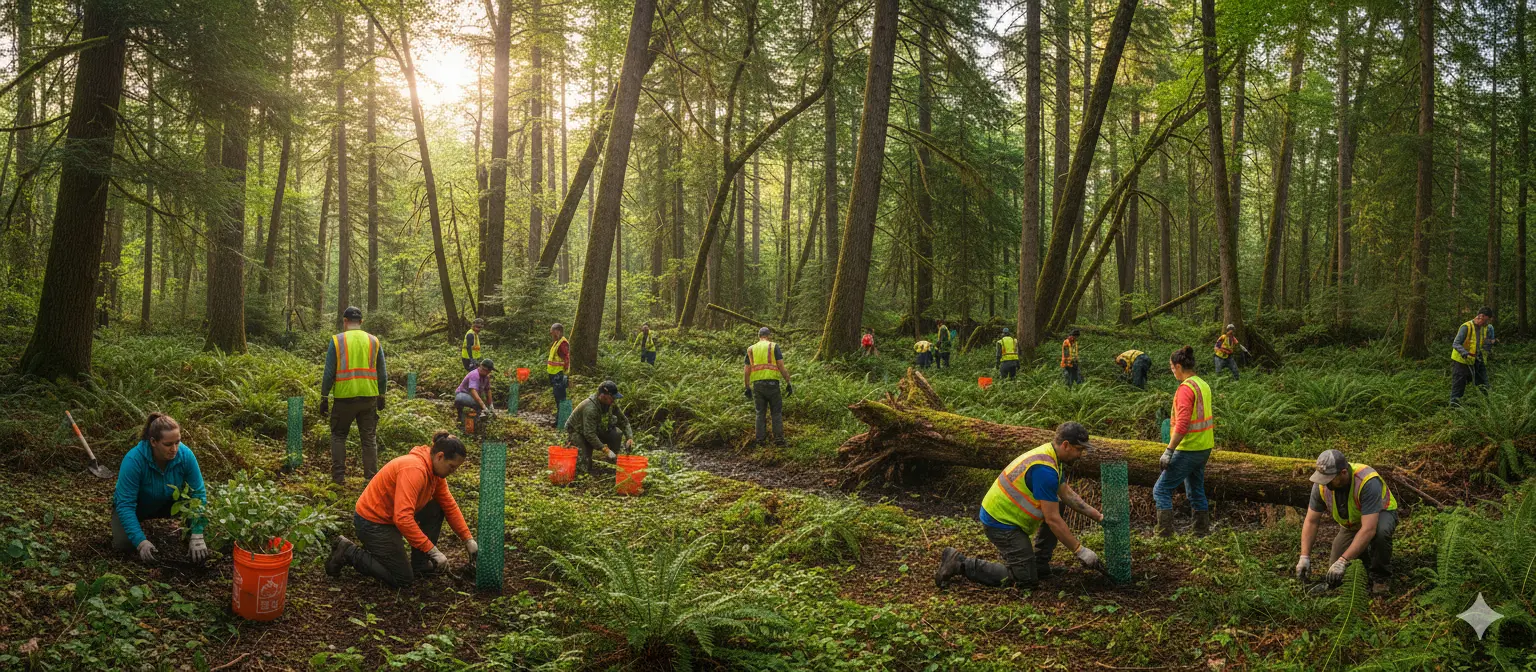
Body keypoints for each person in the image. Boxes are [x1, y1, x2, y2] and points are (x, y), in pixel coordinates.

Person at [935, 421, 1108, 590]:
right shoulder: (1044, 470)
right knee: (1025, 580)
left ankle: (1039, 565)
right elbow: (1053, 520)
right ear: (1065, 445)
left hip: (1007, 516)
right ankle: (960, 563)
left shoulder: (1053, 458)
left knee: (1059, 503)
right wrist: (1080, 551)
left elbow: (1067, 494)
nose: (1080, 455)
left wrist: (1098, 517)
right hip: (1000, 522)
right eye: (1079, 450)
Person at [326, 432, 477, 588]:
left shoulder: (435, 473)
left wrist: (467, 539)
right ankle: (349, 552)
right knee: (402, 579)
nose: (452, 472)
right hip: (372, 523)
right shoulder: (414, 469)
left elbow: (449, 505)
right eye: (451, 466)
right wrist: (432, 550)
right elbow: (403, 518)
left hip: (391, 518)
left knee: (436, 507)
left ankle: (421, 564)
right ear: (439, 456)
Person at [1295, 449, 1398, 595]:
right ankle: (1364, 558)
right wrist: (1304, 557)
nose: (1325, 483)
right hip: (1353, 523)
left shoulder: (1367, 481)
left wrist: (1344, 560)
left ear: (1343, 472)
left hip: (1380, 514)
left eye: (1330, 479)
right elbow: (1311, 521)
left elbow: (1369, 528)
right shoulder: (1321, 484)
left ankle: (1380, 578)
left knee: (1380, 533)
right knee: (1335, 575)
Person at [112, 413, 209, 564]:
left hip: (170, 503)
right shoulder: (133, 461)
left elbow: (198, 494)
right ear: (153, 442)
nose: (174, 449)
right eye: (168, 444)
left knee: (204, 531)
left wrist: (197, 533)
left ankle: (192, 536)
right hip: (140, 506)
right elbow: (125, 505)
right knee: (123, 544)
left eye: (177, 442)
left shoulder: (186, 455)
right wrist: (140, 541)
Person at [321, 306, 387, 485]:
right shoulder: (374, 341)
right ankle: (371, 479)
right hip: (369, 397)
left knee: (338, 436)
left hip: (344, 398)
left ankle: (338, 478)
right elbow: (382, 373)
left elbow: (328, 373)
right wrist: (382, 395)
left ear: (344, 321)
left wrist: (324, 397)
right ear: (361, 322)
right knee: (368, 439)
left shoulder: (337, 341)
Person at [1153, 346, 1215, 537]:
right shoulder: (1202, 384)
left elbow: (1182, 424)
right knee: (1195, 490)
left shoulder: (1185, 389)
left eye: (1172, 368)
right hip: (1204, 447)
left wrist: (1169, 450)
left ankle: (1164, 535)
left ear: (1178, 366)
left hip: (1188, 448)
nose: (1173, 372)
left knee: (1161, 490)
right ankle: (1201, 533)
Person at [567, 380, 635, 475]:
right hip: (578, 432)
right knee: (584, 468)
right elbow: (589, 434)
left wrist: (630, 437)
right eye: (612, 397)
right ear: (603, 395)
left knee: (616, 434)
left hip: (595, 429)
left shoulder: (610, 404)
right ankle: (578, 450)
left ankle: (611, 461)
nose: (614, 400)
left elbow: (623, 421)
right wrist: (605, 449)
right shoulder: (590, 408)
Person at [744, 326, 792, 446]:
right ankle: (779, 441)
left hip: (757, 385)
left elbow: (746, 370)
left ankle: (760, 441)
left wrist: (747, 387)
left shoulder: (751, 349)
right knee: (776, 412)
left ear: (759, 336)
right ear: (769, 336)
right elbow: (781, 366)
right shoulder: (773, 346)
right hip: (772, 384)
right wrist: (788, 382)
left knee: (760, 412)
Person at [1450, 307, 1496, 406]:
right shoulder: (1466, 327)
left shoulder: (1485, 328)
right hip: (1461, 362)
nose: (1487, 322)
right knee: (1459, 385)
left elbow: (1481, 343)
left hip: (1477, 360)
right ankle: (1454, 408)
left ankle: (1489, 407)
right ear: (1481, 316)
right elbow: (1456, 343)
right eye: (1487, 320)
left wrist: (1490, 343)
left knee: (1484, 383)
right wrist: (1464, 353)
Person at [453, 359, 495, 432]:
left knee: (479, 407)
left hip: (470, 397)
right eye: (488, 371)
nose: (489, 372)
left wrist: (491, 405)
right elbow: (473, 391)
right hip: (462, 395)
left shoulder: (486, 377)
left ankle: (473, 424)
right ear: (482, 368)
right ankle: (466, 424)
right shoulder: (474, 375)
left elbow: (488, 390)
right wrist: (484, 407)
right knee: (478, 405)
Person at [546, 323, 571, 425]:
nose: (551, 334)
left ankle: (562, 421)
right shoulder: (556, 342)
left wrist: (564, 375)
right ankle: (560, 420)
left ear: (558, 331)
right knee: (558, 398)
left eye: (553, 332)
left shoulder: (562, 343)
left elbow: (566, 360)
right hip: (554, 374)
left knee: (560, 398)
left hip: (559, 375)